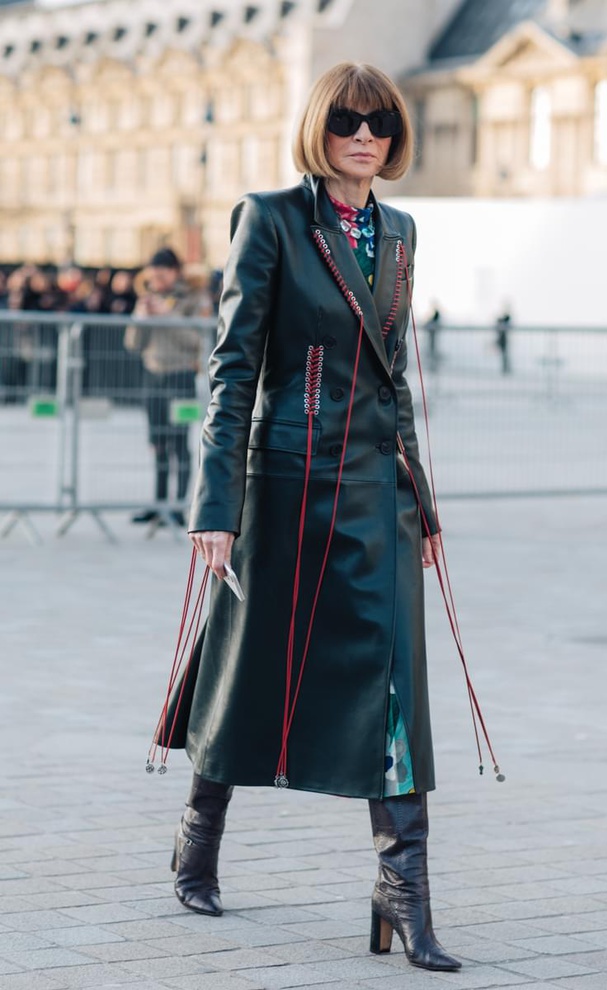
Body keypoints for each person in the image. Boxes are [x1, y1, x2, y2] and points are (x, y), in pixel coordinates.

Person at [161, 63, 462, 972]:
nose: (363, 135)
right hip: (287, 483)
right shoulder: (271, 219)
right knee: (249, 665)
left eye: (380, 121)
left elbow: (392, 379)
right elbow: (232, 370)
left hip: (377, 490)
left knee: (395, 681)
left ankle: (402, 892)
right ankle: (198, 836)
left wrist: (424, 504)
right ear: (318, 128)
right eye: (345, 120)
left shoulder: (401, 231)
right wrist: (215, 505)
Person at [124, 248, 211, 526]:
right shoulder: (147, 297)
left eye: (162, 276)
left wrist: (168, 316)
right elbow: (133, 344)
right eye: (153, 276)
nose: (157, 282)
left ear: (175, 272)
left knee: (178, 441)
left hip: (181, 374)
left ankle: (178, 506)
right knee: (158, 441)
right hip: (153, 374)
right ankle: (159, 503)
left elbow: (197, 341)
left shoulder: (193, 298)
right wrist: (141, 319)